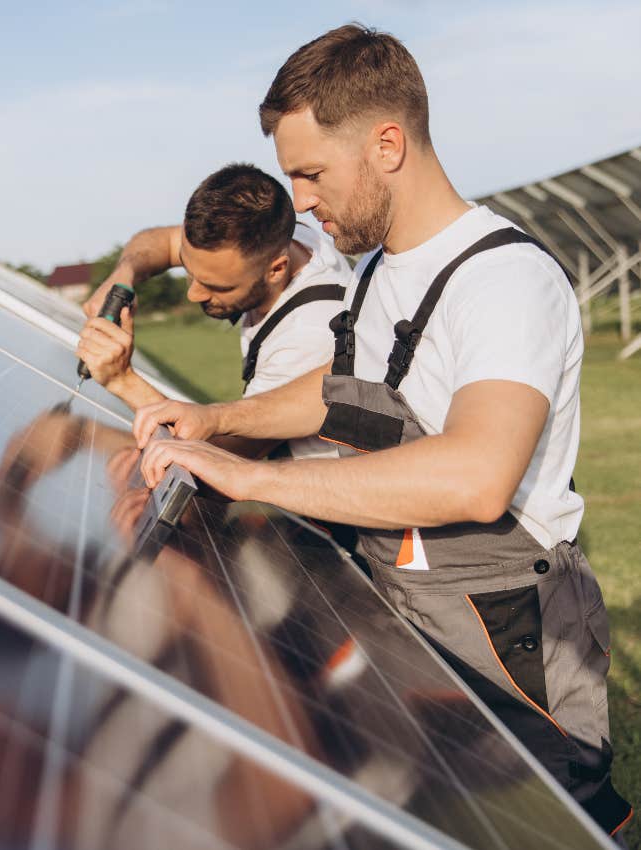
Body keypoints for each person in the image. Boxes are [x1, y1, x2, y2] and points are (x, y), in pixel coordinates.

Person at [132, 24, 633, 842]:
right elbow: (344, 396)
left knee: (547, 816)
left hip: (508, 632)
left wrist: (254, 478)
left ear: (388, 145)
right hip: (410, 594)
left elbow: (476, 472)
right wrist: (220, 420)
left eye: (312, 172)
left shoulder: (503, 281)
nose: (299, 201)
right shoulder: (373, 271)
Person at [78, 163, 353, 460]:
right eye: (188, 268)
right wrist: (124, 273)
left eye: (216, 286)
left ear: (276, 269)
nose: (193, 294)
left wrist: (122, 380)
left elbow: (223, 459)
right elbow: (160, 241)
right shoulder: (278, 237)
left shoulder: (310, 331)